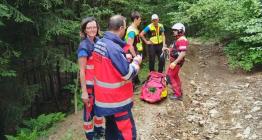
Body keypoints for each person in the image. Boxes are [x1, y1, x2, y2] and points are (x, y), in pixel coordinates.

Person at [93, 15, 142, 140]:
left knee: (112, 131)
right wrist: (136, 62)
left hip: (104, 101)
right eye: (124, 28)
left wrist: (123, 60)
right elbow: (128, 74)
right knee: (128, 134)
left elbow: (108, 68)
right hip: (117, 101)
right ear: (121, 28)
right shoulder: (114, 49)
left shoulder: (100, 43)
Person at [77, 17, 104, 140]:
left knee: (99, 108)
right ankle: (90, 135)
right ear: (85, 30)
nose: (92, 29)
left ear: (97, 28)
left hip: (99, 84)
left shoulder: (99, 41)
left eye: (94, 27)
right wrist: (83, 92)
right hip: (89, 86)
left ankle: (99, 129)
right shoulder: (83, 46)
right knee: (89, 110)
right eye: (89, 27)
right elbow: (82, 70)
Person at [166, 23, 189, 100]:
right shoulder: (179, 39)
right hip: (176, 62)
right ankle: (179, 91)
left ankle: (178, 94)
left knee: (169, 76)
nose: (173, 32)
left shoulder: (182, 40)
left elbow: (182, 53)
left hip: (176, 62)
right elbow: (176, 50)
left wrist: (175, 62)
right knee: (175, 76)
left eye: (175, 30)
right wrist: (167, 49)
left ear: (180, 31)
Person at [125, 11, 143, 85]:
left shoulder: (135, 28)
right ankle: (132, 86)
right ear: (135, 19)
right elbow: (130, 45)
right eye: (139, 19)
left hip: (136, 50)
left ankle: (137, 81)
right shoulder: (131, 31)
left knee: (136, 66)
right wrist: (135, 56)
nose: (140, 21)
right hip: (131, 52)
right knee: (133, 68)